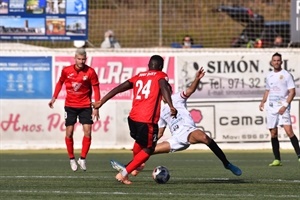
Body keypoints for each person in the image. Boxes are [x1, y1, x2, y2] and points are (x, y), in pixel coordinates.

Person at [110, 67, 242, 177]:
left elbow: (190, 90)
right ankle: (129, 168)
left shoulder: (177, 98)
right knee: (148, 150)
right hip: (176, 139)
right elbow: (160, 132)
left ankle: (227, 163)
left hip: (189, 131)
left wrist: (196, 79)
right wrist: (149, 143)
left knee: (204, 137)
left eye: (167, 89)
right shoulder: (159, 110)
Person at [92, 55, 177, 184]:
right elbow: (164, 87)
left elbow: (118, 88)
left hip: (133, 118)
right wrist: (171, 105)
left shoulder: (139, 76)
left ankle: (136, 166)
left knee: (140, 143)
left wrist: (102, 101)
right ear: (160, 66)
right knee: (149, 149)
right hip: (147, 119)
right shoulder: (160, 75)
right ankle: (124, 174)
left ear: (149, 65)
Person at [48, 48, 100, 172]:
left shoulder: (91, 72)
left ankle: (82, 158)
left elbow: (96, 88)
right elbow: (60, 83)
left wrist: (97, 107)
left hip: (85, 106)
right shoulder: (66, 71)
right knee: (69, 133)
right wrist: (54, 97)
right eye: (79, 59)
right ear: (75, 58)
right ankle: (72, 159)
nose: (81, 61)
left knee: (88, 132)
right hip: (70, 106)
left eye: (83, 59)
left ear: (85, 59)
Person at [259, 52, 300, 166]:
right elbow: (268, 90)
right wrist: (263, 101)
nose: (276, 62)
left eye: (278, 60)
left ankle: (299, 155)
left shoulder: (287, 75)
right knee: (273, 133)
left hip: (283, 107)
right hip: (271, 108)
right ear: (272, 62)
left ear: (281, 62)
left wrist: (285, 105)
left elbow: (292, 92)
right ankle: (277, 159)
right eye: (274, 60)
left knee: (289, 131)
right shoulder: (269, 76)